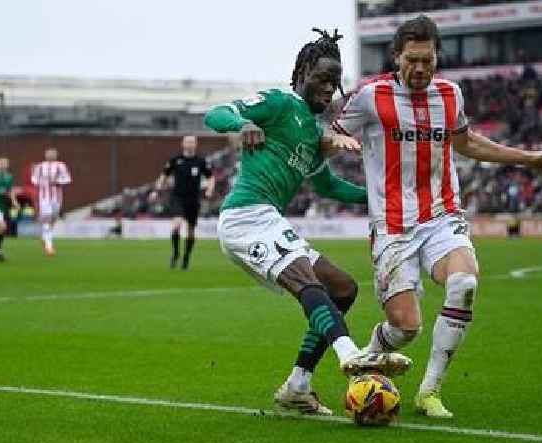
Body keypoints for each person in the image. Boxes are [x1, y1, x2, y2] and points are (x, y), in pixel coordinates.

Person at [331, 15, 542, 418]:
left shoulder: (450, 94)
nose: (420, 68)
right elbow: (332, 134)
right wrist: (334, 139)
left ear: (437, 57)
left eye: (427, 60)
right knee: (406, 328)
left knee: (464, 282)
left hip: (442, 216)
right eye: (412, 60)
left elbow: (468, 143)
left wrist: (527, 158)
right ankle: (372, 353)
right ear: (396, 57)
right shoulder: (371, 96)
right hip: (392, 225)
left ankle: (430, 390)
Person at [204, 28, 411, 415]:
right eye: (321, 78)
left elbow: (329, 186)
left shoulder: (316, 135)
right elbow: (217, 113)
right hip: (245, 216)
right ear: (301, 73)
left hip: (267, 219)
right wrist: (242, 125)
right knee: (308, 282)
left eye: (334, 82)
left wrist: (377, 198)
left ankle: (298, 386)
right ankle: (352, 356)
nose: (328, 89)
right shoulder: (280, 102)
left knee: (343, 289)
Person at [150, 136, 215, 270]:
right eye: (187, 142)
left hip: (193, 199)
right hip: (178, 198)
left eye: (192, 142)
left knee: (190, 231)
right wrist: (156, 190)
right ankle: (175, 253)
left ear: (196, 145)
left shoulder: (201, 161)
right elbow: (164, 175)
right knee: (176, 225)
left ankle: (186, 257)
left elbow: (210, 177)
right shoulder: (175, 160)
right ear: (183, 144)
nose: (190, 144)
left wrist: (209, 189)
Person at [31, 148, 72, 256]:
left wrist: (57, 181)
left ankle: (45, 237)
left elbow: (67, 179)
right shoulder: (40, 166)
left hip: (57, 197)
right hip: (44, 196)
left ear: (56, 155)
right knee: (47, 217)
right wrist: (41, 182)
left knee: (53, 218)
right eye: (48, 154)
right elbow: (34, 179)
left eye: (53, 154)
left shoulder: (61, 165)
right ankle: (49, 246)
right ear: (45, 155)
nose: (50, 155)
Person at [0, 157, 19, 261]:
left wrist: (14, 202)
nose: (3, 165)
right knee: (2, 226)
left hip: (2, 206)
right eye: (1, 163)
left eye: (5, 163)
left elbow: (10, 191)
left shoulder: (9, 177)